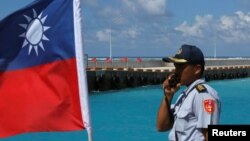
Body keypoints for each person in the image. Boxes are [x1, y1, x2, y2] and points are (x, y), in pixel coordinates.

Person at [156, 44, 221, 141]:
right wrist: (168, 96)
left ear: (197, 69)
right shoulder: (186, 95)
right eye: (175, 66)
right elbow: (162, 126)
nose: (176, 71)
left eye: (181, 67)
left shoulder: (203, 95)